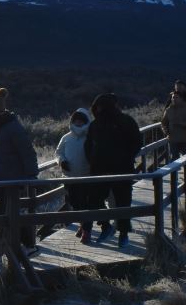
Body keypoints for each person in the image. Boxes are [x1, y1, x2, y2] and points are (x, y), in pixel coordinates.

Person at [0, 88, 40, 256]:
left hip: (12, 180)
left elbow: (28, 152)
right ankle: (28, 247)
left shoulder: (13, 128)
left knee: (4, 214)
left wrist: (31, 176)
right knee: (8, 214)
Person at [84, 93, 143, 248]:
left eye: (100, 106)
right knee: (96, 201)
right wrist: (93, 160)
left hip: (120, 169)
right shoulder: (95, 125)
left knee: (122, 201)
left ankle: (123, 234)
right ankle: (106, 226)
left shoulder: (125, 121)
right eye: (96, 107)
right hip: (100, 170)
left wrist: (125, 158)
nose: (97, 109)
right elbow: (88, 146)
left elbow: (136, 142)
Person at [56, 108, 96, 244]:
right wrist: (62, 161)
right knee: (75, 203)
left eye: (81, 121)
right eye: (76, 120)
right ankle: (82, 224)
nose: (78, 123)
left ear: (86, 122)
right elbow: (58, 152)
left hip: (87, 177)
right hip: (69, 178)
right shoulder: (66, 138)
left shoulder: (91, 137)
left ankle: (87, 231)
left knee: (86, 204)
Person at [161, 87, 186, 161]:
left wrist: (185, 124)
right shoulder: (168, 110)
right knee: (174, 160)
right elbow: (163, 122)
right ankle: (174, 173)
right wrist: (165, 130)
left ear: (181, 99)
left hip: (185, 138)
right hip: (173, 139)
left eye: (176, 97)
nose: (174, 99)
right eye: (173, 98)